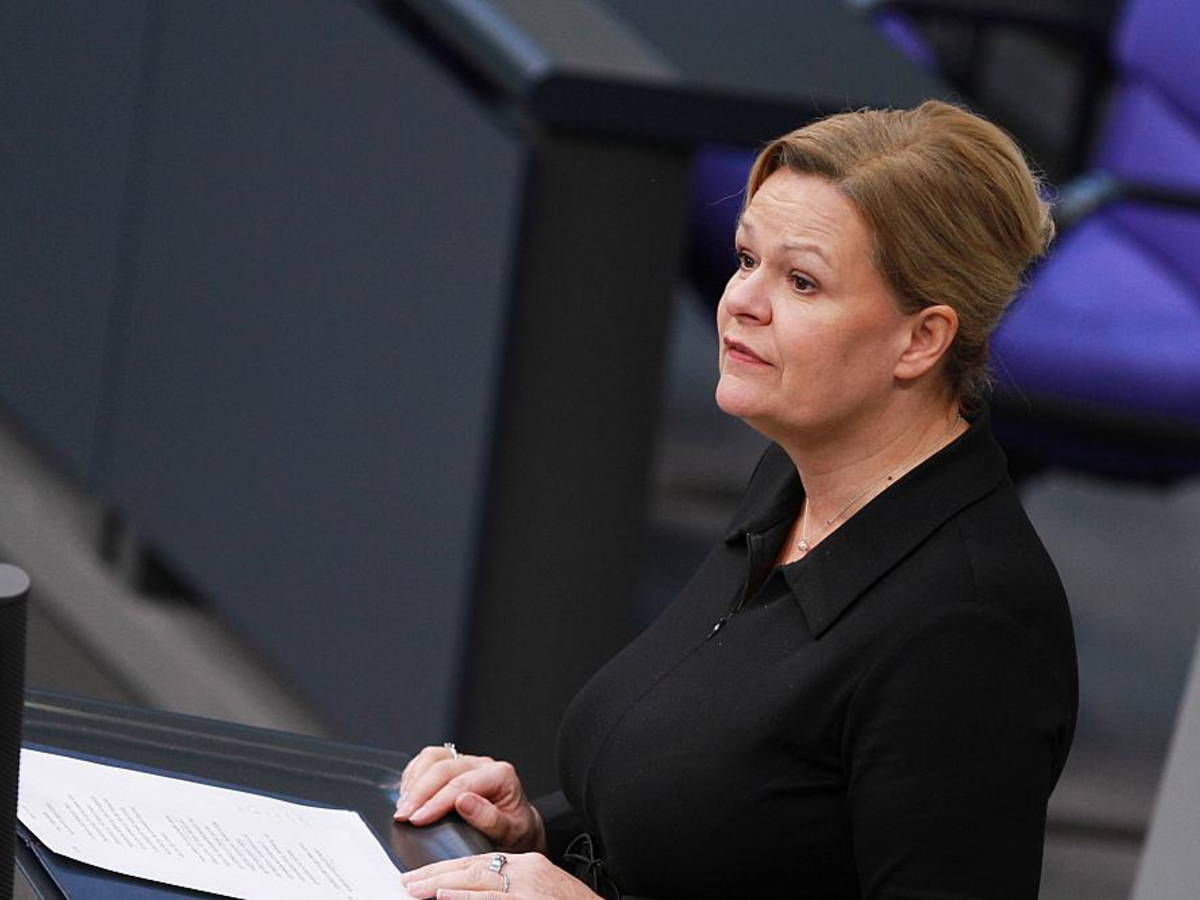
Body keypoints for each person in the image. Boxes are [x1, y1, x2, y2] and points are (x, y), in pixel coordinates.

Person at [393, 100, 1078, 899]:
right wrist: (537, 832)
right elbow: (729, 824)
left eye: (802, 281)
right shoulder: (791, 481)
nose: (742, 302)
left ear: (921, 339)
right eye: (747, 259)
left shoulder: (972, 627)